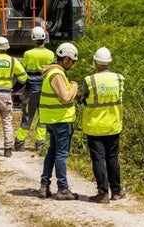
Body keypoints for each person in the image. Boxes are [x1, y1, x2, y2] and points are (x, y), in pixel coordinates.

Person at [80, 47, 125, 204]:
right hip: (113, 125)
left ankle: (103, 193)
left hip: (95, 127)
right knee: (113, 158)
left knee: (98, 159)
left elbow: (83, 98)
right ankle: (117, 191)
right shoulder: (119, 79)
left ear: (95, 63)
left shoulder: (89, 80)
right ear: (110, 62)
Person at [38, 42, 80, 200]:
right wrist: (74, 86)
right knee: (61, 154)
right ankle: (63, 189)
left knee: (52, 152)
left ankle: (44, 186)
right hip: (61, 120)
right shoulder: (57, 74)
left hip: (52, 119)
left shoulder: (52, 72)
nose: (72, 65)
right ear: (67, 59)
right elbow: (66, 97)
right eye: (73, 62)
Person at [14, 26, 55, 151]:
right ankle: (40, 143)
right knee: (43, 117)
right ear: (44, 38)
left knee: (27, 115)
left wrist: (15, 87)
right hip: (46, 89)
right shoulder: (51, 54)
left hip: (31, 89)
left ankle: (20, 142)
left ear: (33, 38)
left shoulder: (28, 54)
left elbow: (23, 71)